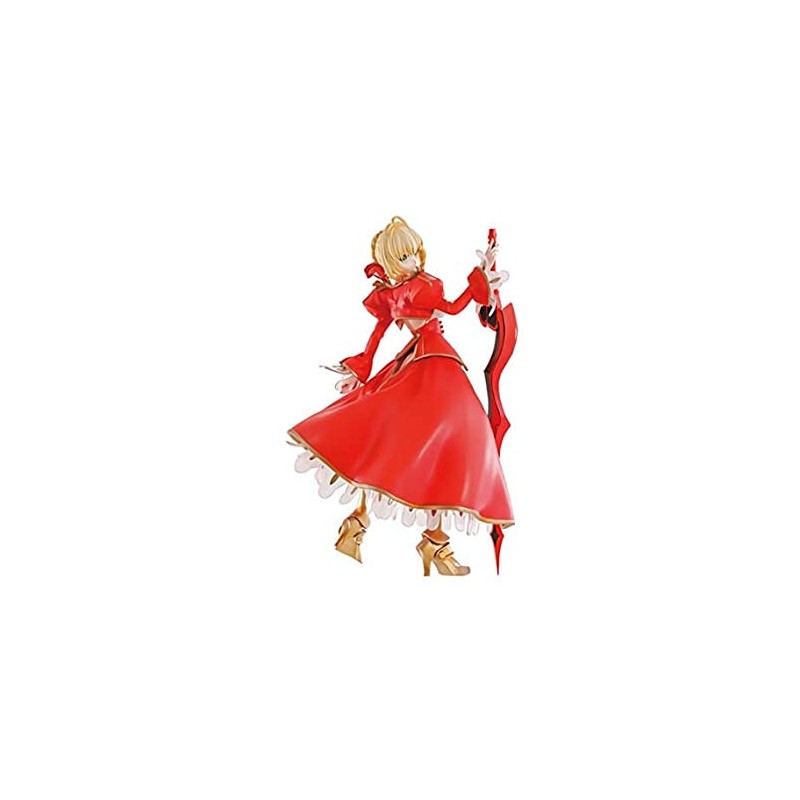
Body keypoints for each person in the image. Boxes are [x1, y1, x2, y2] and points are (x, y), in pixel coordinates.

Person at [287, 216, 514, 576]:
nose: (414, 261)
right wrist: (480, 280)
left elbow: (377, 337)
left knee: (408, 442)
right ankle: (429, 542)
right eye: (405, 257)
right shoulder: (420, 288)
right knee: (438, 442)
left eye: (415, 253)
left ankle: (368, 527)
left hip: (416, 362)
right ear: (393, 263)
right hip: (432, 363)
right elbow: (453, 308)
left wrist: (362, 368)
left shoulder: (390, 294)